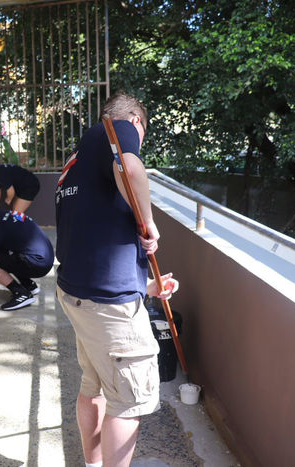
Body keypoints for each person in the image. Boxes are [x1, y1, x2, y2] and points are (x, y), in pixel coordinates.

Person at [55, 92, 180, 467]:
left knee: (93, 388)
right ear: (135, 121)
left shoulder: (74, 162)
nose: (138, 143)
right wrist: (149, 222)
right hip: (110, 307)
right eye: (142, 137)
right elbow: (129, 166)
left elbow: (91, 239)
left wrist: (146, 286)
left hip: (81, 296)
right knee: (128, 402)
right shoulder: (118, 127)